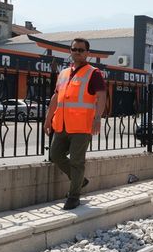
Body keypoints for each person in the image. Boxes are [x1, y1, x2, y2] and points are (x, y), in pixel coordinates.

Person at [44, 38, 107, 210]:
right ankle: (80, 181)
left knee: (77, 162)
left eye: (81, 50)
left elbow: (101, 96)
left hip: (81, 126)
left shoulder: (93, 73)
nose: (77, 52)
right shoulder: (63, 73)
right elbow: (56, 97)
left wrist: (97, 118)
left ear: (88, 53)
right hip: (62, 125)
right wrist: (48, 119)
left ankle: (73, 197)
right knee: (55, 155)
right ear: (70, 51)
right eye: (74, 49)